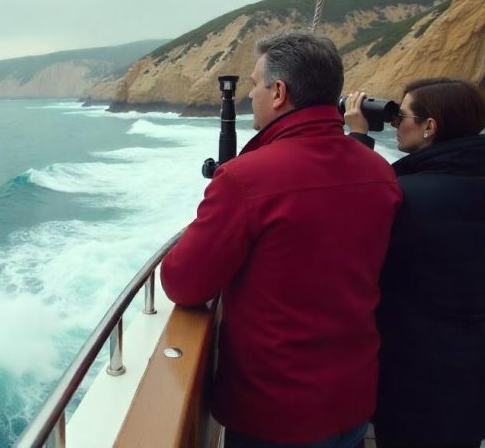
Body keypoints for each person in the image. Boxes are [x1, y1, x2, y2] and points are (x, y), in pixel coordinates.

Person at [160, 31, 402, 448]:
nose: (249, 94)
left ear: (278, 92)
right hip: (353, 398)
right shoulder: (379, 171)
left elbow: (183, 283)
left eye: (255, 84)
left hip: (276, 414)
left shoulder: (246, 178)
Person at [344, 79, 485, 448]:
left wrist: (357, 138)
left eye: (403, 116)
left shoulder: (402, 196)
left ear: (429, 127)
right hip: (483, 368)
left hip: (417, 376)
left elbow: (343, 223)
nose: (396, 123)